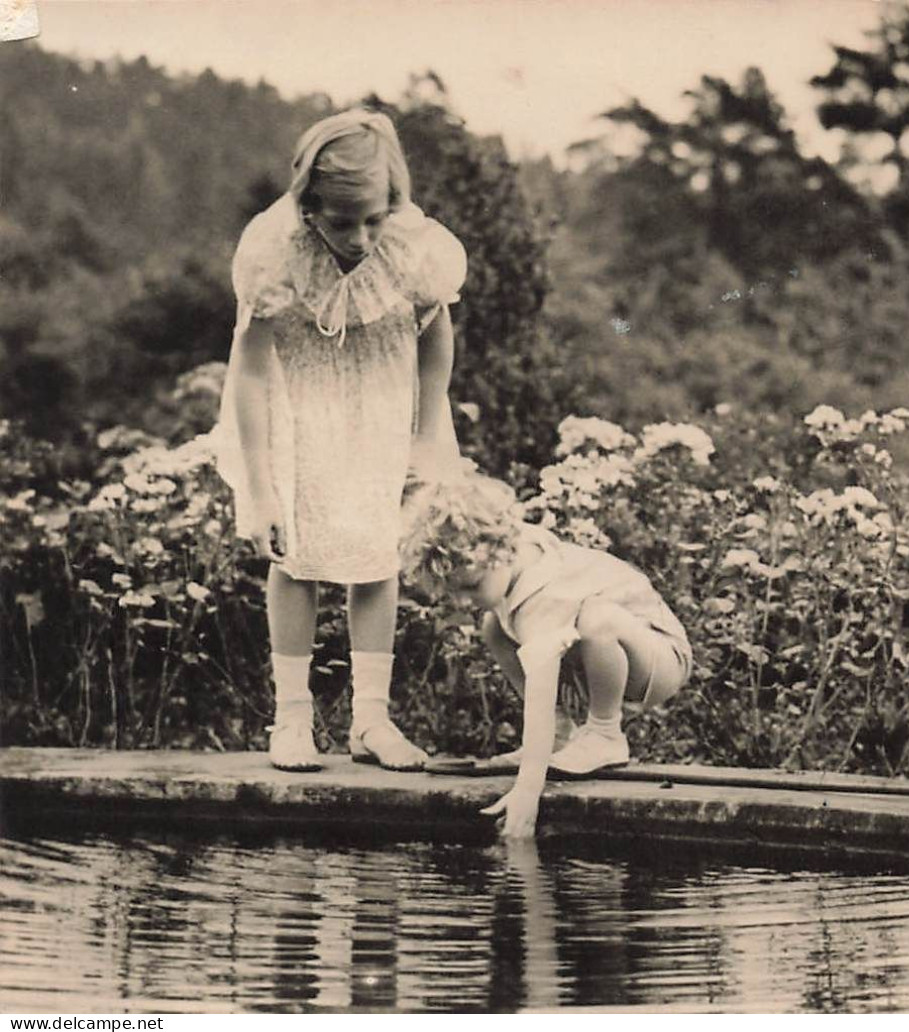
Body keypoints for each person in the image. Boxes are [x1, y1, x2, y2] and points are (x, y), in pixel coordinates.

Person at [211, 109, 467, 772]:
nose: (360, 237)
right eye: (341, 221)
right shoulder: (273, 249)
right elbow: (250, 370)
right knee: (295, 553)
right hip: (296, 408)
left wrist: (424, 431)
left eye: (373, 219)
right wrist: (262, 490)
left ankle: (370, 722)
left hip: (384, 406)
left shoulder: (414, 245)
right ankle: (292, 719)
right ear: (308, 203)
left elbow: (436, 335)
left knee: (378, 552)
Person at [398, 467, 693, 837]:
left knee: (596, 617)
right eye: (452, 591)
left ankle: (605, 734)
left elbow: (538, 693)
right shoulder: (510, 546)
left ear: (499, 552)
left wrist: (527, 789)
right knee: (493, 625)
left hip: (659, 659)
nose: (462, 601)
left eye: (471, 587)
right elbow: (471, 525)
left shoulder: (543, 597)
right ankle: (562, 734)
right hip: (602, 656)